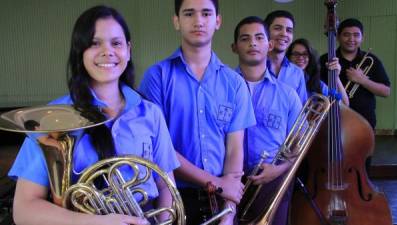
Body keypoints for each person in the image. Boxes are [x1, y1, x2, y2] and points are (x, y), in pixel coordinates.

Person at [8, 5, 180, 225]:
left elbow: (166, 185)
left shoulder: (151, 113)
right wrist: (98, 222)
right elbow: (24, 210)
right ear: (80, 52)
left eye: (116, 43)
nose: (107, 51)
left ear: (128, 49)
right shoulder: (51, 117)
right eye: (94, 43)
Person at [139, 0, 256, 224]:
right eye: (189, 13)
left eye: (206, 13)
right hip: (171, 197)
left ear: (217, 21)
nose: (198, 21)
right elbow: (159, 150)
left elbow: (234, 153)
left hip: (220, 201)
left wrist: (228, 215)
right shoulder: (157, 77)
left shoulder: (235, 84)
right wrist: (216, 183)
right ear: (177, 21)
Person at [231, 16, 302, 225]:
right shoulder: (220, 89)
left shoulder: (288, 95)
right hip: (229, 181)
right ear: (234, 47)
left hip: (273, 179)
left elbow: (300, 144)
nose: (252, 43)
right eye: (245, 38)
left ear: (269, 45)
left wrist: (278, 170)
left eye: (259, 37)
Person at [320, 18, 391, 174]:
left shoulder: (372, 60)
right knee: (333, 161)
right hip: (334, 120)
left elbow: (385, 91)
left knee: (363, 164)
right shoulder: (326, 60)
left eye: (356, 35)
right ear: (338, 37)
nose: (351, 39)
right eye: (346, 35)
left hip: (364, 122)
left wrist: (362, 80)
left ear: (362, 38)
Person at [287, 38, 349, 105]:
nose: (300, 57)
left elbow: (344, 103)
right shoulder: (282, 79)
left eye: (305, 54)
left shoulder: (317, 83)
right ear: (289, 57)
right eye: (296, 54)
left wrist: (336, 77)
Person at [264, 10, 308, 104]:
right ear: (266, 32)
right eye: (277, 28)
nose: (284, 34)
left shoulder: (297, 73)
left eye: (289, 30)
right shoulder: (254, 67)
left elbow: (301, 112)